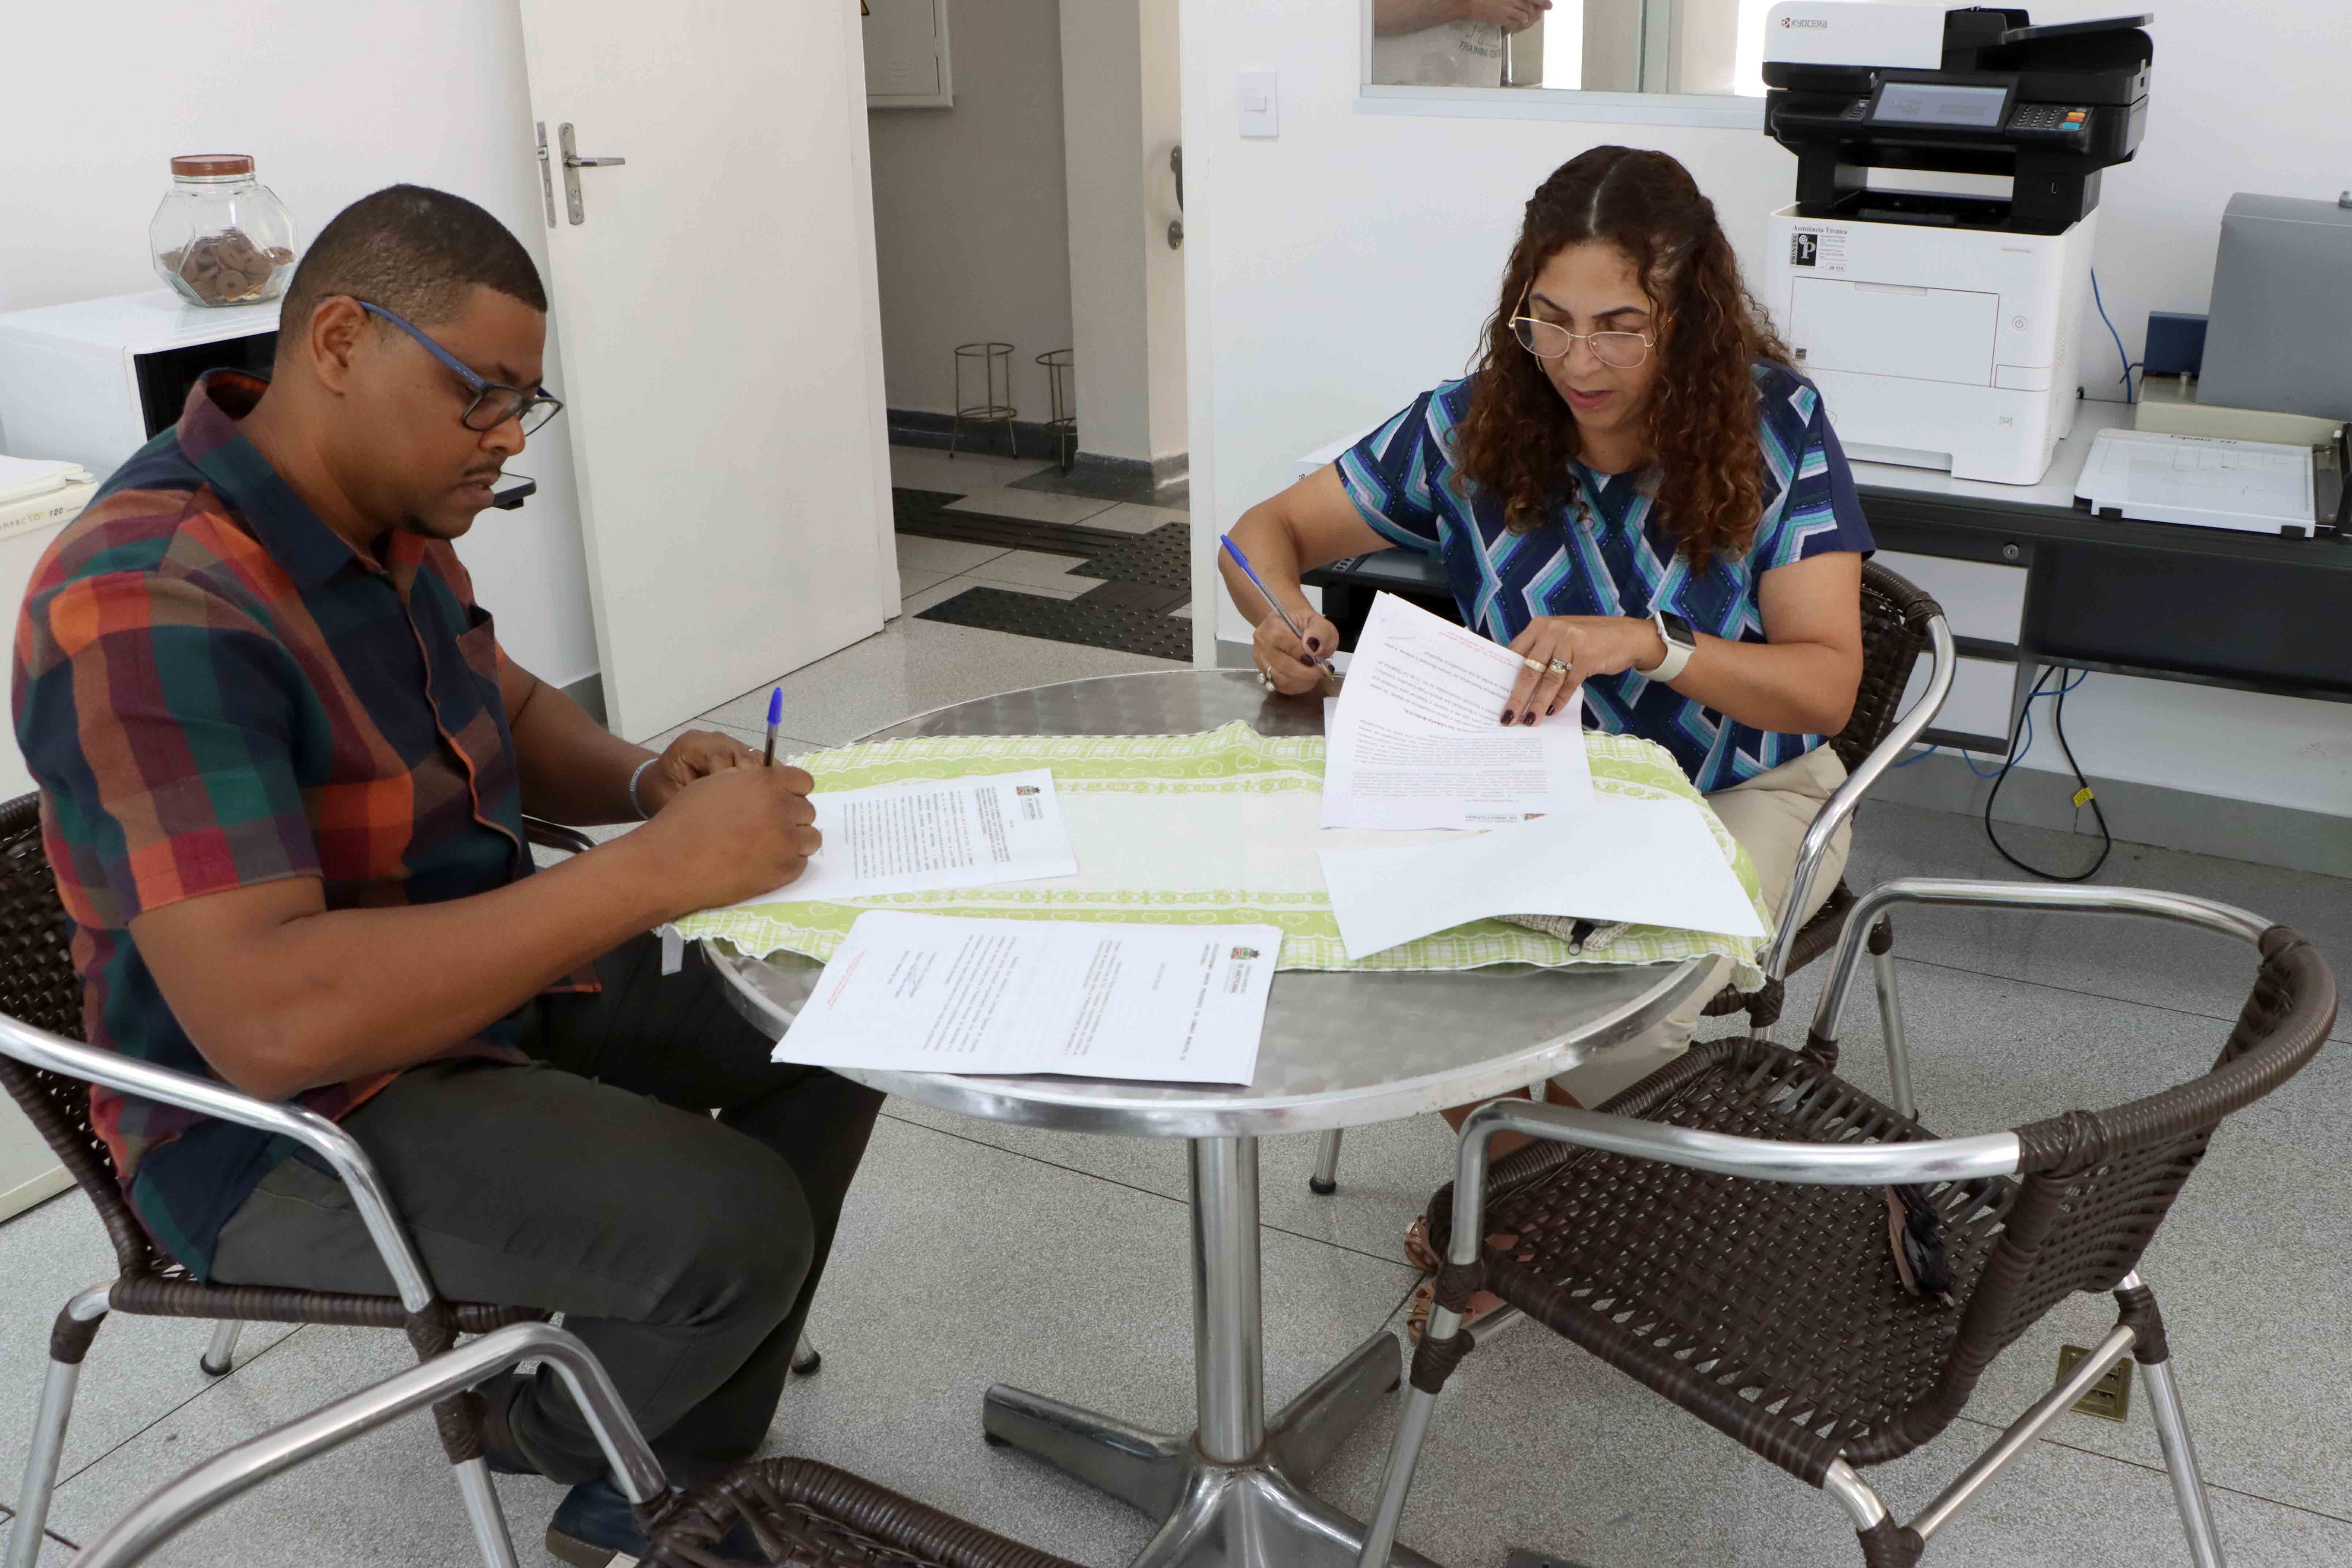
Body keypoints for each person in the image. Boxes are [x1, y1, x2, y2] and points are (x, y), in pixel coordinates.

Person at [13, 185, 882, 1566]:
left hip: (469, 970)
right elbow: (273, 1021)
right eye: (483, 395)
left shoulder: (379, 512)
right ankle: (570, 1430)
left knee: (855, 1000)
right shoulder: (149, 598)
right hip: (277, 1121)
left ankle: (675, 1445)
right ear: (344, 341)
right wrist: (655, 873)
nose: (501, 440)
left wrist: (650, 783)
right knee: (737, 1229)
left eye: (521, 406)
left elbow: (506, 702)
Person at [1217, 146, 1872, 1321]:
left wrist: (1653, 643)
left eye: (1622, 325)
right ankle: (1543, 1193)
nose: (1580, 361)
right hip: (1524, 780)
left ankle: (1528, 1203)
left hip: (1740, 787)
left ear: (1693, 311)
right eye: (1551, 321)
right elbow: (1259, 532)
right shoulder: (1474, 422)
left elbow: (1824, 687)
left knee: (1589, 1008)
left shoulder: (1776, 426)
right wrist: (1281, 618)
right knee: (1371, 943)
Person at [1371, 0, 1551, 87]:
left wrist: (1517, 14)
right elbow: (1355, 13)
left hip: (1477, 111)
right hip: (1398, 117)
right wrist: (1470, 5)